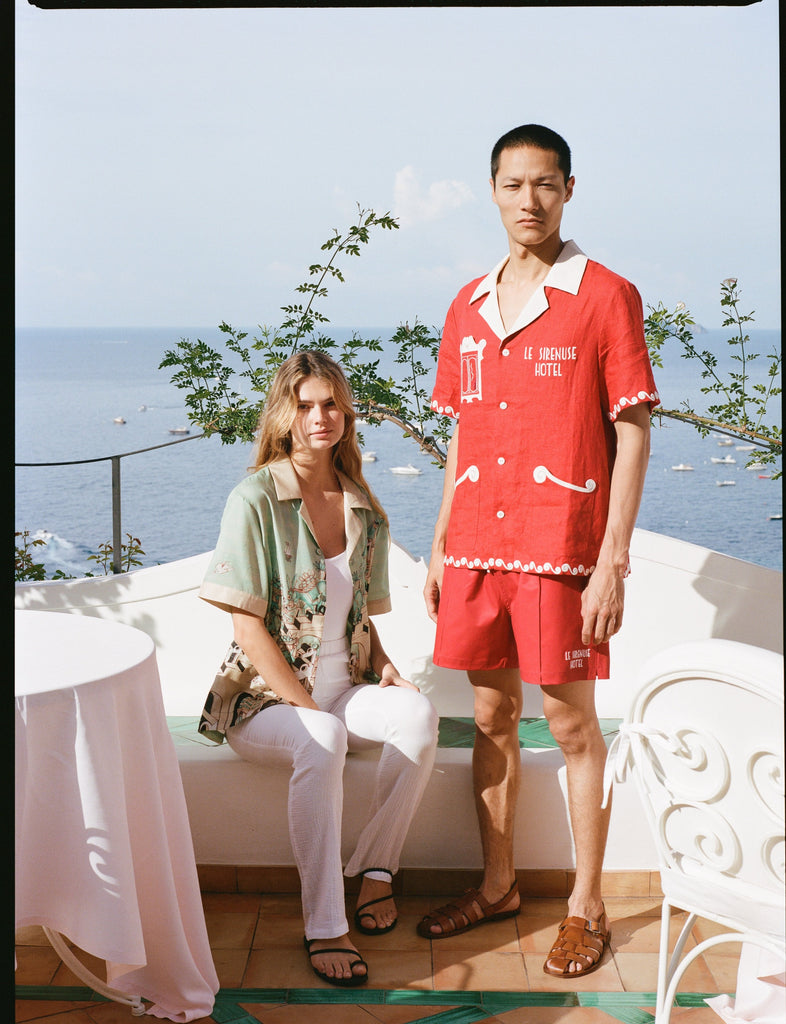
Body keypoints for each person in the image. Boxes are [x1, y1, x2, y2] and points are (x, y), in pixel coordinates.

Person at [417, 124, 659, 978]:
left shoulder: (606, 296)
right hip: (479, 546)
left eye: (545, 185)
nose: (530, 200)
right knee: (488, 718)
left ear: (568, 190)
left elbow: (631, 433)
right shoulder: (466, 304)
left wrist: (612, 561)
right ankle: (498, 884)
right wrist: (442, 543)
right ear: (492, 190)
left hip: (561, 548)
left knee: (569, 722)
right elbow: (461, 434)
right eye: (514, 185)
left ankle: (586, 906)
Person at [198, 350, 439, 988]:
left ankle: (376, 873)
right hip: (264, 702)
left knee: (416, 713)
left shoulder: (360, 502)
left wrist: (385, 666)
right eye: (305, 404)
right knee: (324, 735)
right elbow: (246, 626)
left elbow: (358, 612)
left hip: (344, 688)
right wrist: (305, 709)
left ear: (346, 412)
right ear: (284, 415)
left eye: (330, 402)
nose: (319, 416)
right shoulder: (254, 498)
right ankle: (324, 923)